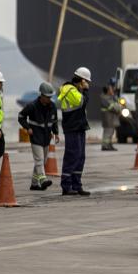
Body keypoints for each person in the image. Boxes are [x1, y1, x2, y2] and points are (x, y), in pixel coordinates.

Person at [17, 82, 59, 191]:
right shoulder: (32, 106)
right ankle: (43, 180)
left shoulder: (53, 106)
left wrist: (56, 133)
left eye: (51, 97)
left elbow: (54, 121)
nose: (49, 99)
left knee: (42, 162)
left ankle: (34, 184)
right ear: (41, 95)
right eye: (47, 97)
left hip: (46, 138)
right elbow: (21, 117)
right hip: (35, 137)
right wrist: (27, 127)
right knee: (39, 160)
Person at [58, 67, 92, 196]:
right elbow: (82, 101)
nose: (87, 84)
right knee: (72, 156)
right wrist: (86, 90)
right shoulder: (70, 89)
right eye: (86, 81)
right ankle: (66, 185)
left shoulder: (75, 90)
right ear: (82, 80)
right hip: (72, 127)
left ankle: (77, 185)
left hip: (79, 126)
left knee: (80, 157)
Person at [100, 84, 120, 151]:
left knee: (111, 132)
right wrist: (118, 107)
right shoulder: (105, 98)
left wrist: (114, 95)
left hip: (111, 118)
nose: (112, 90)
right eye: (111, 89)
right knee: (107, 132)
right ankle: (105, 146)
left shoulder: (110, 97)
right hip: (107, 118)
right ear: (108, 90)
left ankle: (109, 145)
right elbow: (114, 107)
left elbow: (117, 104)